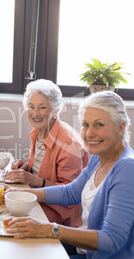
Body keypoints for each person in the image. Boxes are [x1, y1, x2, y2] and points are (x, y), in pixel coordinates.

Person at [3, 91, 134, 258]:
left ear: (120, 127)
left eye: (99, 125)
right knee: (19, 243)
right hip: (86, 249)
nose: (89, 133)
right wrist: (21, 193)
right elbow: (70, 192)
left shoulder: (128, 170)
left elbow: (112, 239)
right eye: (85, 124)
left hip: (101, 254)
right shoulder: (100, 158)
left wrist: (50, 229)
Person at [6, 79, 88, 227]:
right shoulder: (39, 132)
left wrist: (34, 180)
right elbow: (43, 171)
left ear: (55, 110)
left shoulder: (68, 143)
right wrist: (26, 168)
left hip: (60, 217)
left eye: (42, 107)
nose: (35, 113)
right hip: (39, 201)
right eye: (31, 106)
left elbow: (71, 194)